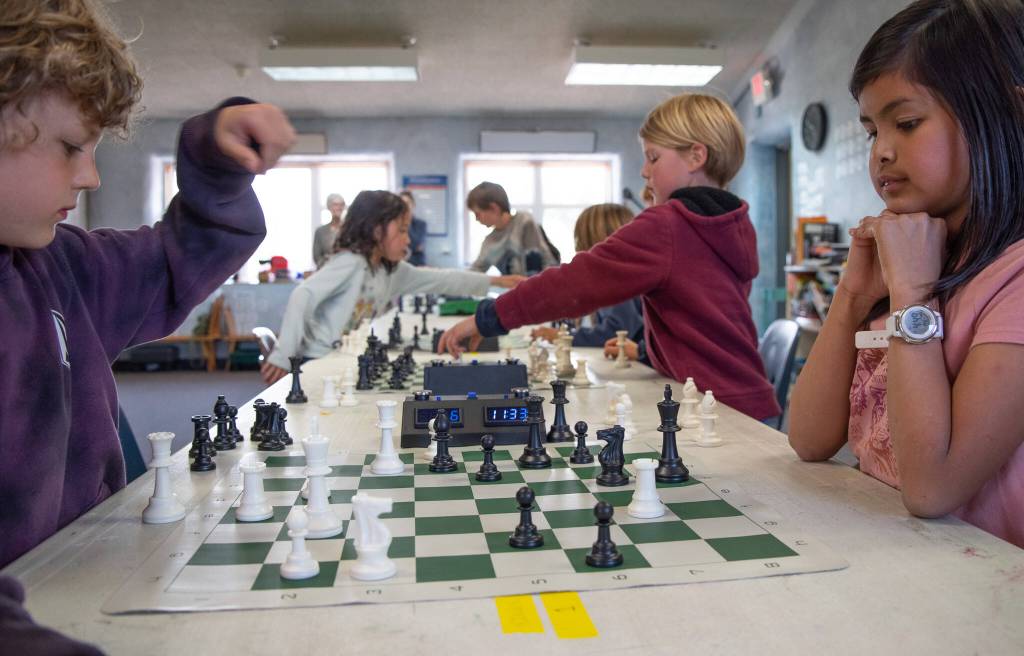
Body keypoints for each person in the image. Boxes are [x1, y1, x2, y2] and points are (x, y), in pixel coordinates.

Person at [0, 0, 296, 650]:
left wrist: (216, 158)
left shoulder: (58, 266)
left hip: (94, 586)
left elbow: (177, 254)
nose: (90, 175)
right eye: (71, 147)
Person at [787, 0, 1024, 548]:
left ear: (1010, 117)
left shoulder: (1009, 278)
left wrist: (913, 295)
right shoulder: (927, 258)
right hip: (907, 564)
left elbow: (933, 488)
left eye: (908, 122)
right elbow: (809, 438)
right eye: (872, 131)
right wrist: (851, 294)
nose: (882, 153)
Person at [439, 93, 779, 422]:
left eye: (653, 157)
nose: (645, 171)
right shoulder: (732, 222)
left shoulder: (668, 225)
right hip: (746, 395)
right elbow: (705, 320)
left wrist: (488, 318)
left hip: (712, 405)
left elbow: (577, 283)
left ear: (695, 156)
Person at [262, 190, 523, 384]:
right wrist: (283, 353)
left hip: (339, 361)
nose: (407, 239)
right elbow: (303, 294)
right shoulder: (351, 262)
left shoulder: (390, 270)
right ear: (377, 231)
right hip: (316, 361)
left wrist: (496, 281)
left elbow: (442, 279)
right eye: (401, 230)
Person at [530, 203, 645, 350]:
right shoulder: (626, 273)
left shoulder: (616, 277)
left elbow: (615, 332)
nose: (578, 248)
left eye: (580, 239)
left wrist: (562, 336)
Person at [467, 181, 559, 275]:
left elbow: (533, 269)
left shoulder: (523, 221)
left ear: (494, 208)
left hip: (544, 283)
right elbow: (474, 272)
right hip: (520, 288)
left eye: (477, 214)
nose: (476, 219)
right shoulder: (489, 242)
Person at [313, 193, 345, 269]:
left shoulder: (349, 229)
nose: (339, 208)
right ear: (329, 207)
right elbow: (317, 257)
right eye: (335, 205)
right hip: (326, 271)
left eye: (341, 205)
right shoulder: (320, 232)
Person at [400, 189, 428, 266]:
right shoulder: (395, 225)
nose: (404, 206)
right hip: (400, 265)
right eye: (402, 203)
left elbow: (417, 244)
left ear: (413, 205)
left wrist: (407, 221)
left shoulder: (421, 224)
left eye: (407, 203)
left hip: (417, 264)